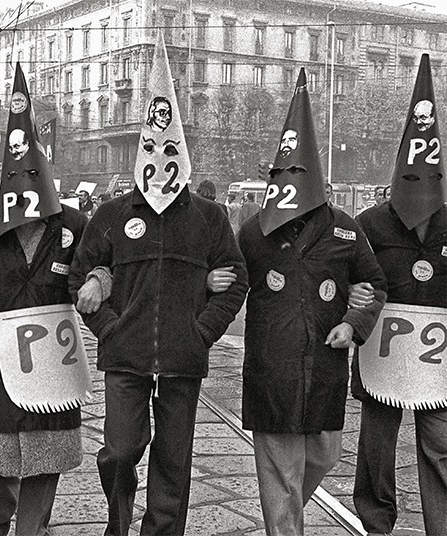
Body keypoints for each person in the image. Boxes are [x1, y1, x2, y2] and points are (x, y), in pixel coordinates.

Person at [69, 35, 248, 536]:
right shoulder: (110, 214)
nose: (160, 161)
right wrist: (108, 326)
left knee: (174, 460)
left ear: (182, 154)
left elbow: (236, 282)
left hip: (181, 359)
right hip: (124, 355)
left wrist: (202, 331)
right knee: (120, 451)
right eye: (151, 149)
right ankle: (118, 523)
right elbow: (80, 277)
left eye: (169, 151)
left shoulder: (209, 218)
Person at [237, 68, 387, 536]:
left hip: (324, 368)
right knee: (281, 472)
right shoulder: (253, 232)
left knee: (322, 455)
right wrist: (213, 285)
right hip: (272, 368)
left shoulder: (344, 228)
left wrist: (355, 320)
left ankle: (287, 513)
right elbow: (224, 283)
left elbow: (375, 283)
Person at [0, 63, 88, 536]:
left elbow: (95, 271)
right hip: (1, 367)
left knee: (47, 460)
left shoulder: (73, 225)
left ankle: (32, 528)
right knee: (2, 461)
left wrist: (100, 284)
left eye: (36, 170)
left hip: (54, 367)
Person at [351, 53, 447, 536]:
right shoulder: (369, 224)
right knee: (375, 447)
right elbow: (354, 277)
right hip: (382, 356)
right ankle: (374, 523)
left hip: (439, 359)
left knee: (441, 445)